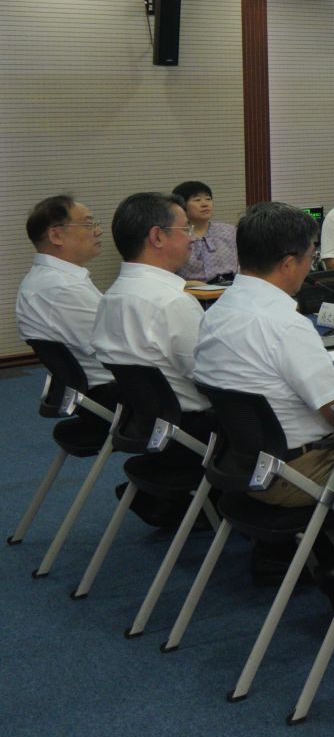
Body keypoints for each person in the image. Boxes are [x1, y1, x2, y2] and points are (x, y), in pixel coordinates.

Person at [194, 203, 334, 508]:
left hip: (240, 463)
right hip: (300, 473)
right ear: (287, 264)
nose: (311, 265)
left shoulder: (215, 313)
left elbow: (275, 386)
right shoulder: (285, 325)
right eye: (311, 256)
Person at [91, 192, 212, 507]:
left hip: (149, 426)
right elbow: (214, 379)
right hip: (197, 431)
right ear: (157, 236)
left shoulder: (111, 296)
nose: (192, 238)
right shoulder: (171, 301)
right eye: (185, 229)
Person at [18, 195, 111, 396]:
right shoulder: (63, 288)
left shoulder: (50, 280)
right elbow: (119, 347)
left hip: (95, 388)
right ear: (56, 236)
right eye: (88, 224)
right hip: (116, 392)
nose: (98, 231)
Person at [171, 180, 238, 281]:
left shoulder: (229, 231)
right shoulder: (175, 235)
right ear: (181, 206)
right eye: (197, 200)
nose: (205, 204)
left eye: (208, 199)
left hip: (230, 285)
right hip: (190, 288)